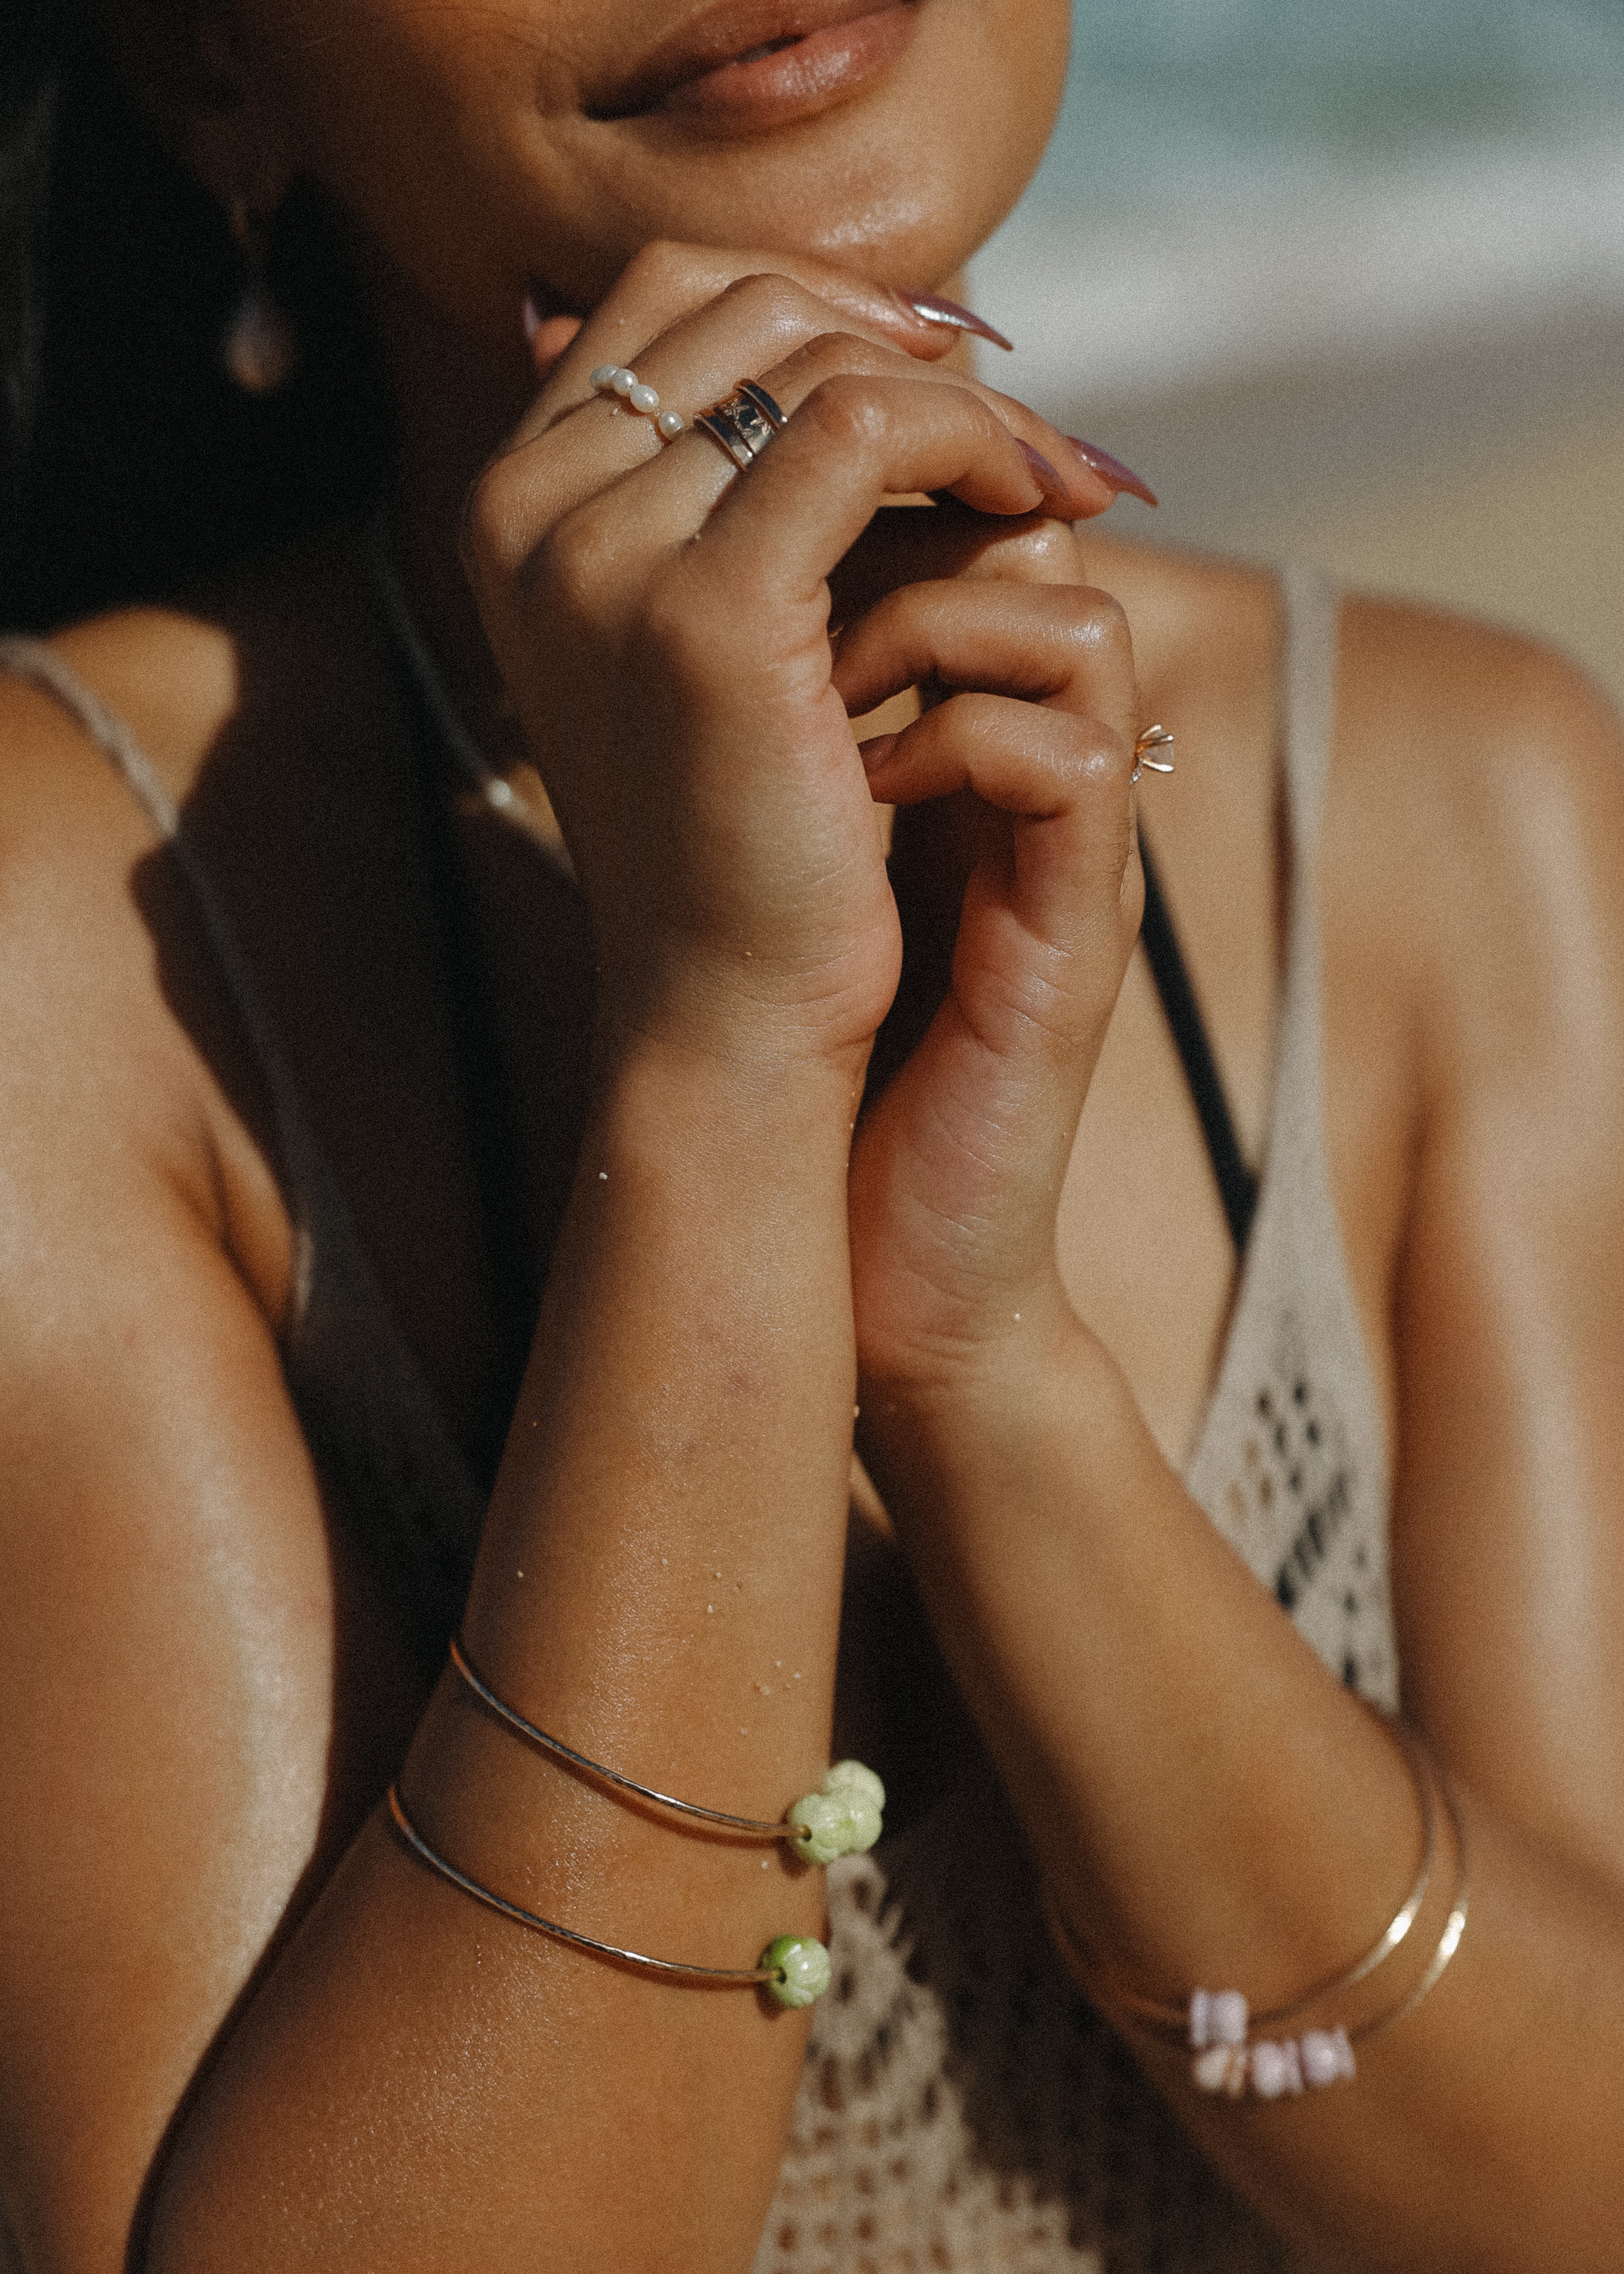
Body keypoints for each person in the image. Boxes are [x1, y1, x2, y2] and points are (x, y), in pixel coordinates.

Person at [1, 1, 1622, 2267]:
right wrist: (729, 1071)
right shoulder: (75, 933)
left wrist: (987, 1376)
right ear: (200, 71)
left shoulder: (1457, 804)